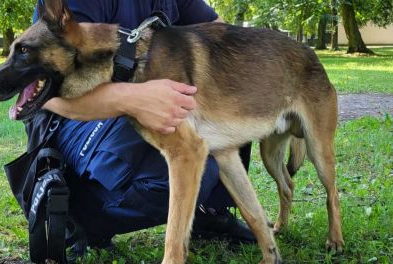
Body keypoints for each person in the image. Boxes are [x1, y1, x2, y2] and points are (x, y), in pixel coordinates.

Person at [30, 0, 256, 254]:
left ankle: (207, 211)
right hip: (72, 117)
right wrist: (133, 98)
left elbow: (222, 37)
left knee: (232, 111)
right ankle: (82, 216)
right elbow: (47, 89)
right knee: (192, 170)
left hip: (140, 94)